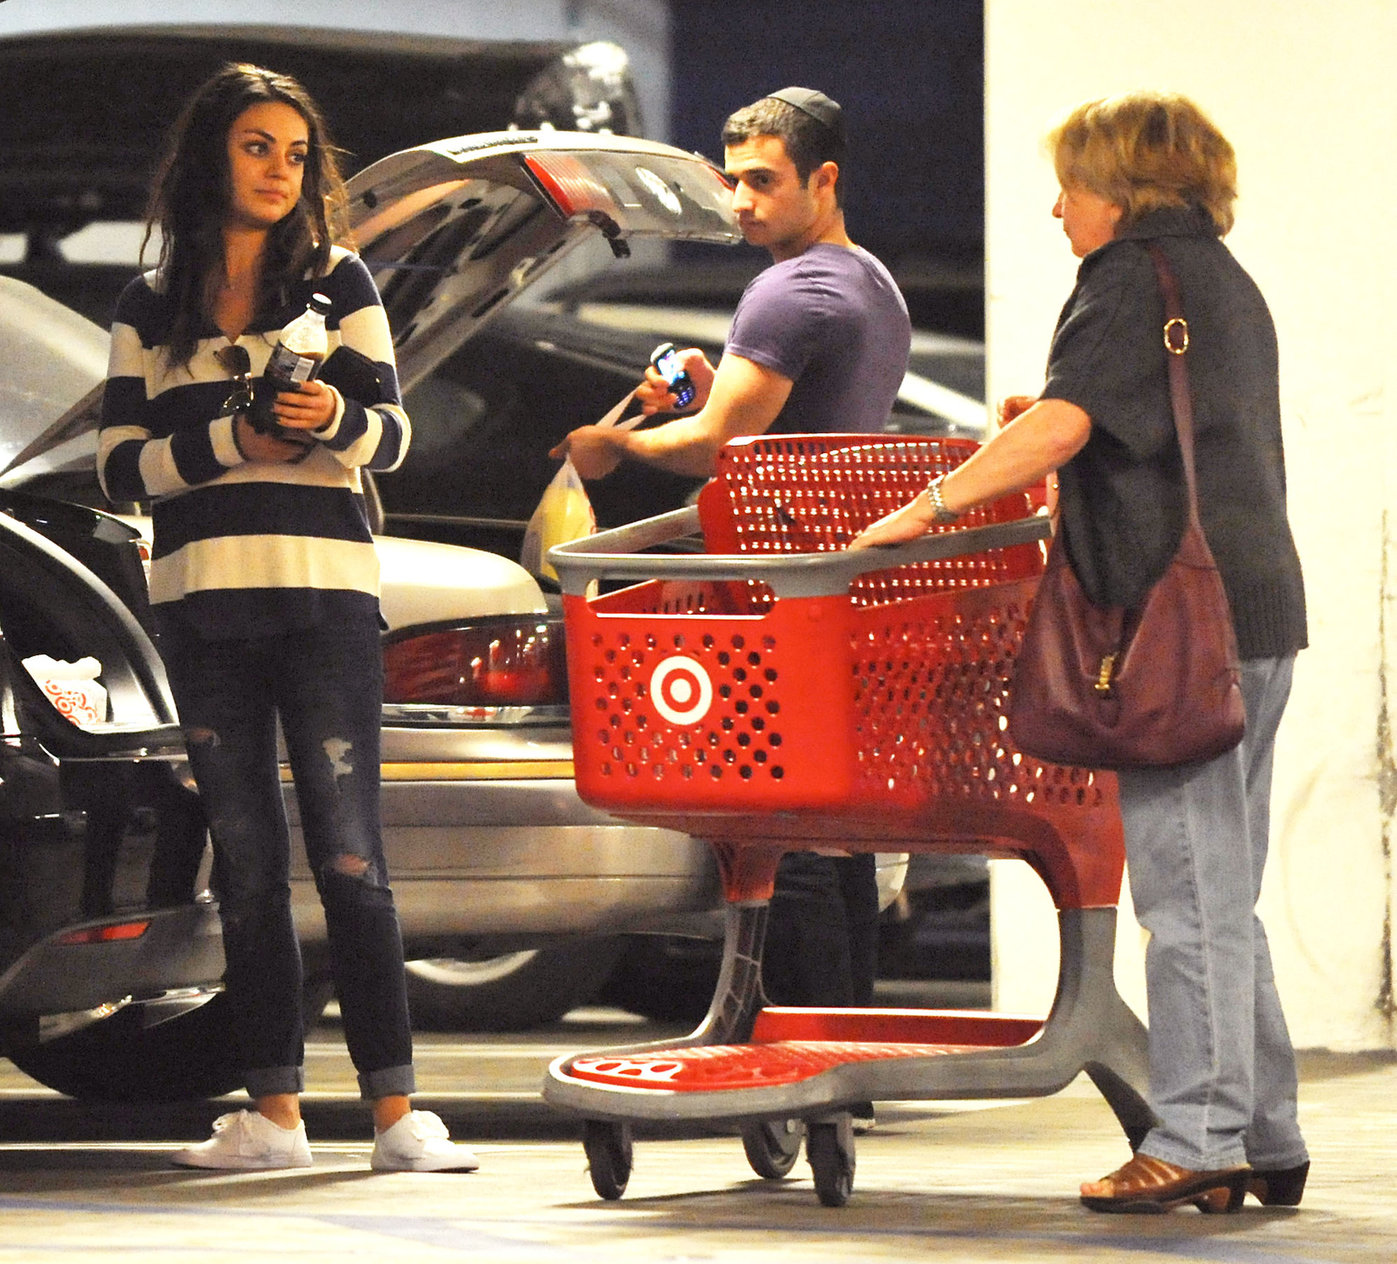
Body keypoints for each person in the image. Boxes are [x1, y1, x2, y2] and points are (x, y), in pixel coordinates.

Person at [850, 92, 1308, 1213]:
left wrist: (927, 506)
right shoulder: (1217, 282)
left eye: (1071, 183)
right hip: (1250, 615)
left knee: (1185, 897)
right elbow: (1134, 424)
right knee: (1221, 892)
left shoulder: (1125, 281)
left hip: (1169, 628)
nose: (1057, 207)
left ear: (1125, 188)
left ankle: (1195, 1138)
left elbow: (1062, 427)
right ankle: (1264, 1130)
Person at [98, 63, 478, 1174]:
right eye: (257, 146)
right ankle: (273, 1116)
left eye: (296, 153)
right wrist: (231, 445)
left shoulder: (339, 282)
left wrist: (334, 418)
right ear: (210, 155)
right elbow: (121, 468)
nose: (278, 170)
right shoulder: (147, 307)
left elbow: (397, 437)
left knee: (351, 854)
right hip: (204, 608)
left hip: (324, 603)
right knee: (246, 864)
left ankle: (399, 1114)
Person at [552, 87, 911, 1046]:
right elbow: (779, 420)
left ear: (823, 179)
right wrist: (715, 399)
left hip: (773, 591)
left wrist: (612, 446)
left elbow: (718, 444)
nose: (741, 203)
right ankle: (843, 1054)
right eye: (732, 182)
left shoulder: (789, 290)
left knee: (776, 832)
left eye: (763, 182)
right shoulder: (866, 280)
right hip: (832, 586)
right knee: (834, 838)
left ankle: (796, 1049)